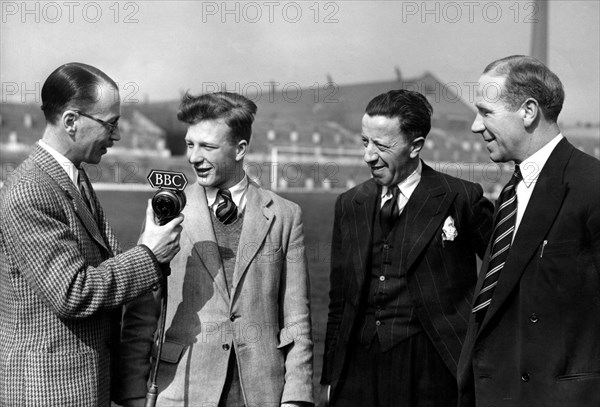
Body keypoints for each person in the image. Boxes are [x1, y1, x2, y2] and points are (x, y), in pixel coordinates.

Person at [0, 62, 183, 407]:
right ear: (71, 121)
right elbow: (74, 293)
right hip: (48, 392)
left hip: (81, 386)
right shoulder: (30, 190)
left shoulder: (72, 177)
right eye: (110, 125)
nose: (116, 136)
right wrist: (148, 255)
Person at [117, 92, 314, 407]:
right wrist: (132, 394)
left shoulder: (285, 215)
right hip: (180, 391)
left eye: (207, 146)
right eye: (190, 144)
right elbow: (142, 314)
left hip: (262, 394)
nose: (194, 157)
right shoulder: (164, 211)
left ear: (240, 149)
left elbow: (297, 319)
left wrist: (296, 398)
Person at [321, 89, 494, 407]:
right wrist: (331, 378)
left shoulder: (461, 198)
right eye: (365, 142)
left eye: (382, 146)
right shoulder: (350, 204)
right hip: (358, 373)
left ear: (416, 146)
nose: (368, 156)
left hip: (433, 370)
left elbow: (508, 276)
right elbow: (338, 303)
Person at [457, 55, 600, 407]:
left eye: (486, 112)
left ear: (528, 111)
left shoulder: (591, 185)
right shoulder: (511, 191)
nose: (475, 126)